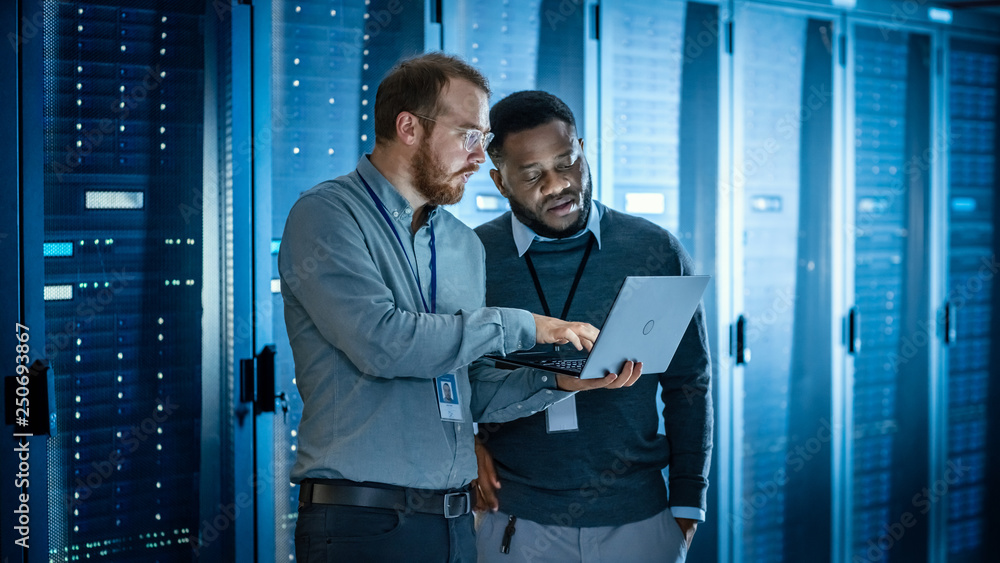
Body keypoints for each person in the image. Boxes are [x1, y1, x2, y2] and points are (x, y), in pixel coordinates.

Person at [279, 55, 642, 563]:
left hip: (454, 523)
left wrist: (559, 382)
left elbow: (470, 389)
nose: (479, 158)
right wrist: (526, 326)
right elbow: (384, 344)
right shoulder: (327, 215)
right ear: (408, 126)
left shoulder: (460, 244)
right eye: (469, 135)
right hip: (362, 522)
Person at [472, 91, 713, 563]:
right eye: (533, 175)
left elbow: (690, 383)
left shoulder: (653, 248)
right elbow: (448, 375)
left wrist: (687, 503)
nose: (559, 184)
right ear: (501, 182)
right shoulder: (474, 259)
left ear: (582, 148)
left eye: (568, 162)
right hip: (516, 522)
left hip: (639, 522)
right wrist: (467, 444)